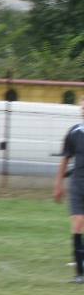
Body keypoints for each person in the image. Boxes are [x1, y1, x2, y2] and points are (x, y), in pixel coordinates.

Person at [53, 100, 84, 283]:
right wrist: (58, 184)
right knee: (78, 224)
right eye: (83, 107)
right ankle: (80, 273)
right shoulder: (74, 132)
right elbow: (65, 159)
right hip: (77, 185)